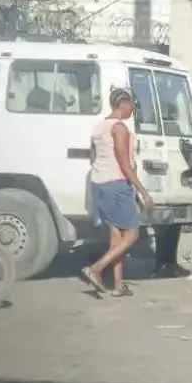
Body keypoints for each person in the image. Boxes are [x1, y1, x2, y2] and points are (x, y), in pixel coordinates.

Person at [78, 88, 153, 297]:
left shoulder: (99, 127)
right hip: (117, 185)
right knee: (132, 234)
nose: (132, 110)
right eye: (132, 106)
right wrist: (143, 191)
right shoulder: (119, 129)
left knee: (116, 238)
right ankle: (96, 269)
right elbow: (124, 164)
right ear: (123, 104)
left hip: (99, 184)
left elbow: (93, 158)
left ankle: (118, 285)